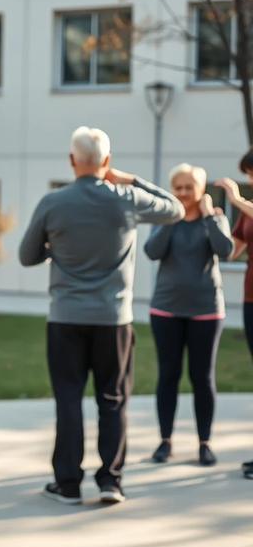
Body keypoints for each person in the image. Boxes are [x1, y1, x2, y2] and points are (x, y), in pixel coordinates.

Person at [19, 126, 184, 506]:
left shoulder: (52, 202)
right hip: (113, 319)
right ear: (107, 162)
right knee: (113, 399)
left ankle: (68, 484)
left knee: (68, 399)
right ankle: (111, 481)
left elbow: (28, 256)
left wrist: (54, 248)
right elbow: (174, 208)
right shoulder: (126, 198)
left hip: (66, 318)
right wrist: (131, 179)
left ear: (72, 160)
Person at [145, 164, 233, 467]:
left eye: (189, 187)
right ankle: (165, 441)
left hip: (206, 311)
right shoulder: (164, 219)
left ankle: (204, 443)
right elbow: (152, 252)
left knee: (202, 378)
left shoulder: (215, 219)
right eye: (178, 187)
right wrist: (172, 217)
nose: (183, 193)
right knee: (168, 375)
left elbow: (226, 249)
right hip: (166, 309)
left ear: (201, 190)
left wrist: (210, 216)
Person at [215, 146, 253, 478]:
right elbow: (232, 250)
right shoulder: (248, 212)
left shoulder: (249, 206)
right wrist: (213, 225)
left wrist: (235, 196)